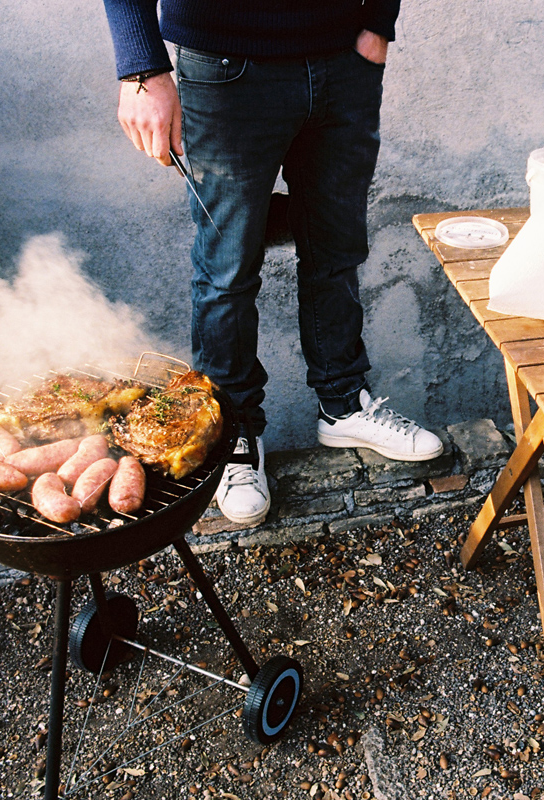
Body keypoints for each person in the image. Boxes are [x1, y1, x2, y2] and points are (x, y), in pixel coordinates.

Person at [101, 1, 443, 527]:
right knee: (227, 271)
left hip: (343, 58)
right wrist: (142, 68)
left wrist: (378, 22)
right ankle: (232, 432)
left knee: (337, 249)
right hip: (224, 66)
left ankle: (344, 405)